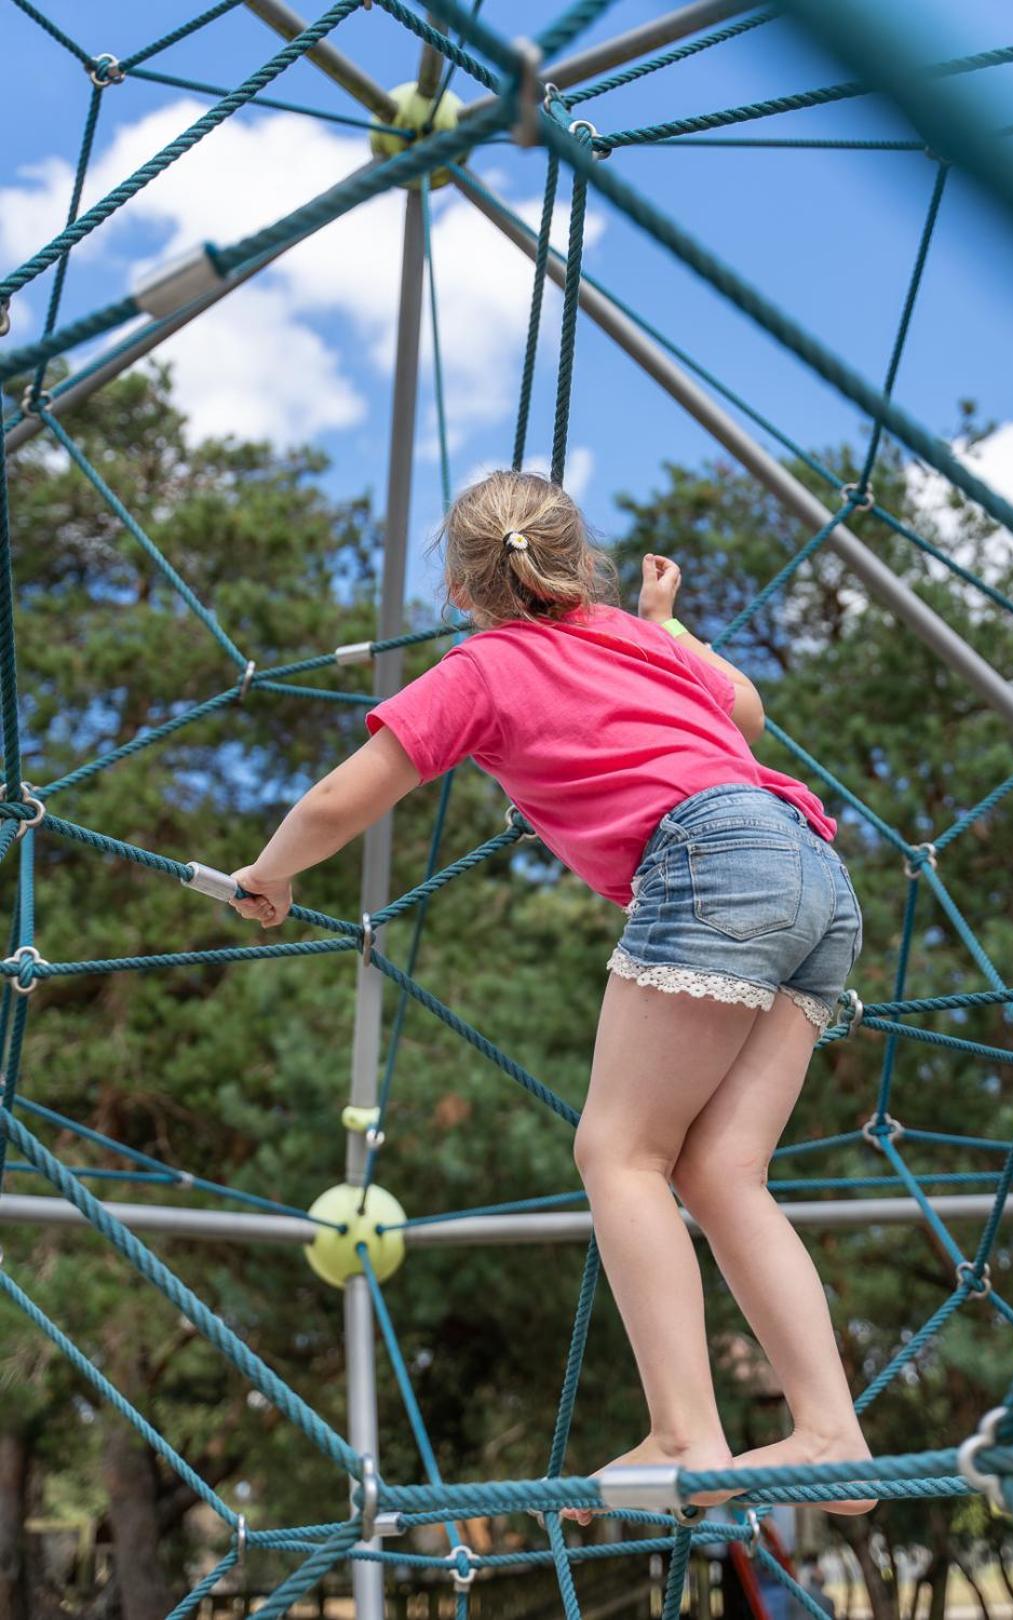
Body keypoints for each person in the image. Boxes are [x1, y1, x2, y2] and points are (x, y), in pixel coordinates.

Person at [228, 470, 873, 1515]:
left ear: (460, 583)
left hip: (713, 861)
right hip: (814, 873)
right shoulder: (632, 636)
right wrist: (671, 627)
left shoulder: (484, 666)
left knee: (619, 1152)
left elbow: (352, 791)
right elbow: (748, 709)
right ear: (580, 561)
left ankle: (686, 1434)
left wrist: (270, 872)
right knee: (724, 1172)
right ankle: (830, 1433)